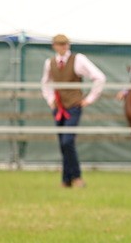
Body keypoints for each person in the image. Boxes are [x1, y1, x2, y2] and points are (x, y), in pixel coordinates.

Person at [40, 34, 106, 188]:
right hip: (58, 108)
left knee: (67, 141)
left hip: (73, 107)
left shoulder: (78, 59)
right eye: (60, 44)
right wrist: (50, 100)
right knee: (63, 143)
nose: (64, 47)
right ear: (54, 46)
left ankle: (76, 177)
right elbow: (45, 83)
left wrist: (89, 99)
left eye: (66, 44)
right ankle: (66, 180)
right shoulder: (49, 63)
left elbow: (99, 77)